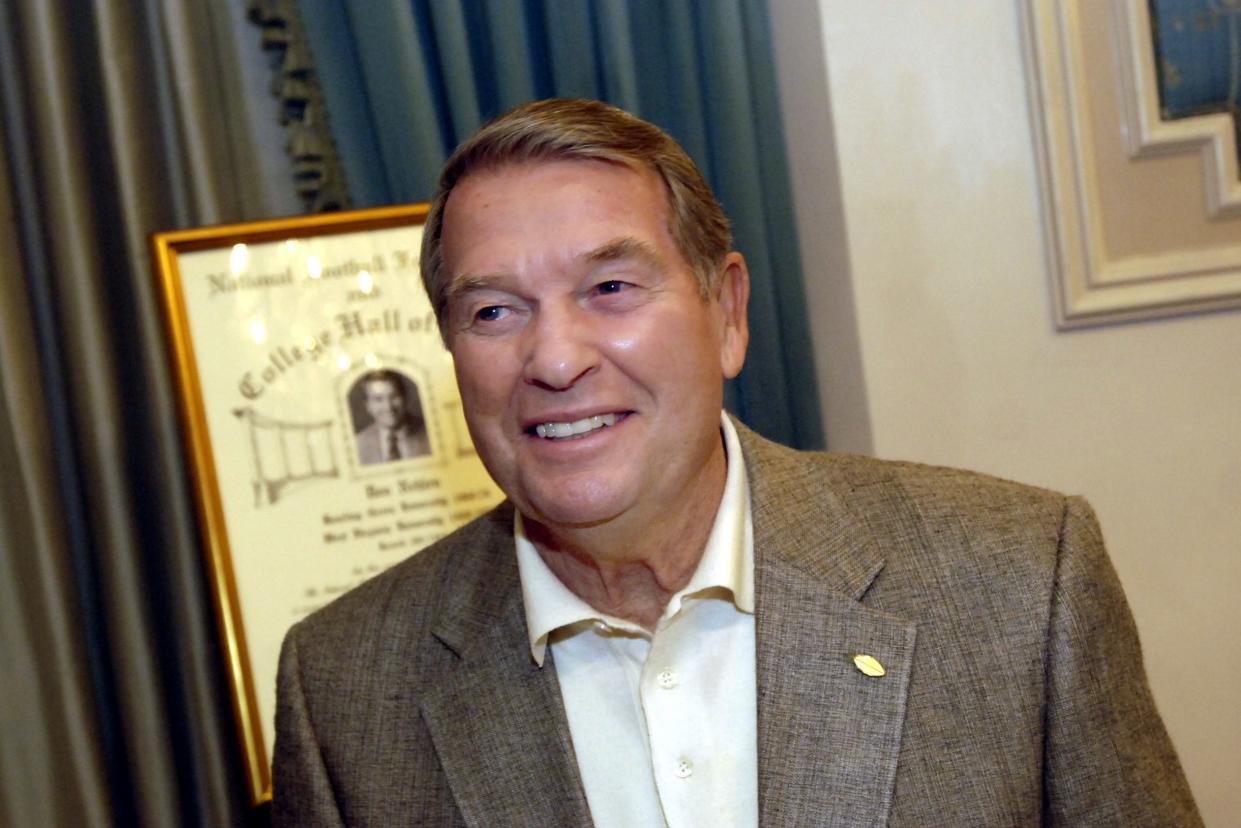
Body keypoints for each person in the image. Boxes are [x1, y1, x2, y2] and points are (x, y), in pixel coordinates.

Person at [273, 99, 1201, 826]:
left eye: (609, 288)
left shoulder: (1016, 584)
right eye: (493, 311)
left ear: (727, 313)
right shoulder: (348, 688)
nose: (554, 360)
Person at [353, 369, 430, 465]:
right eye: (378, 399)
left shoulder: (430, 433)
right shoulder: (357, 445)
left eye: (394, 396)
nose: (388, 407)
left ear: (405, 398)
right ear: (368, 405)